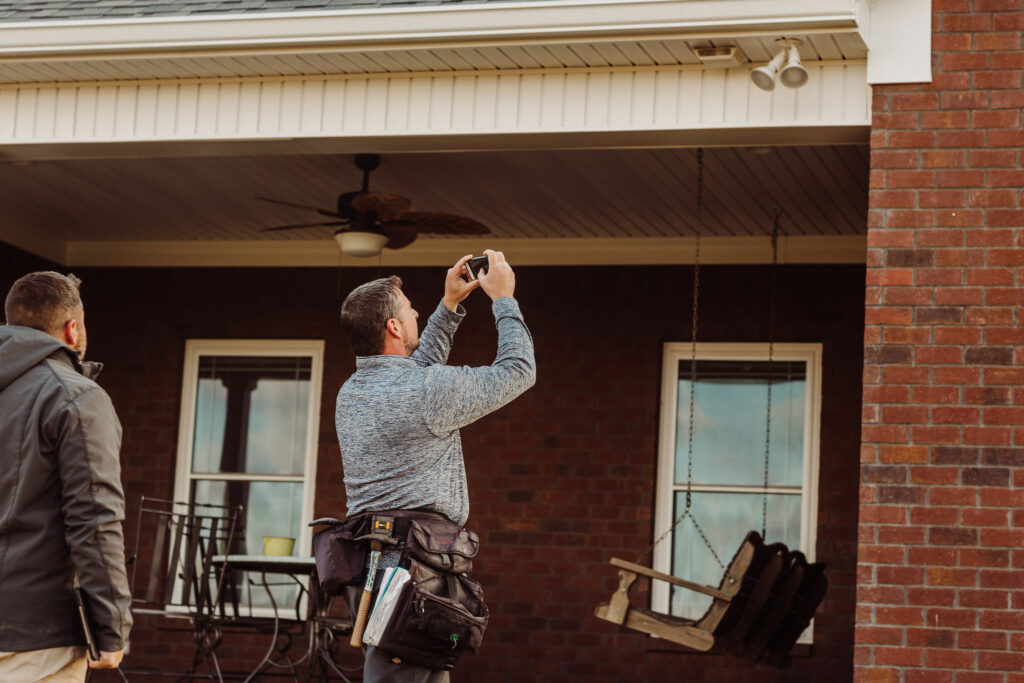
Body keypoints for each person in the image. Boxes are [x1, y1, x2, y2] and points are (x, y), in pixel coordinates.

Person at [336, 250, 536, 682]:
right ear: (393, 327)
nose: (416, 314)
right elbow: (519, 370)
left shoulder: (352, 392)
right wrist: (503, 299)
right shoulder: (423, 391)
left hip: (377, 564)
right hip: (413, 574)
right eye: (410, 312)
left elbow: (416, 372)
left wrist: (449, 307)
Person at [0, 271, 132, 681]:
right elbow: (94, 518)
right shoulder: (75, 396)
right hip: (36, 637)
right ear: (72, 329)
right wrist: (111, 628)